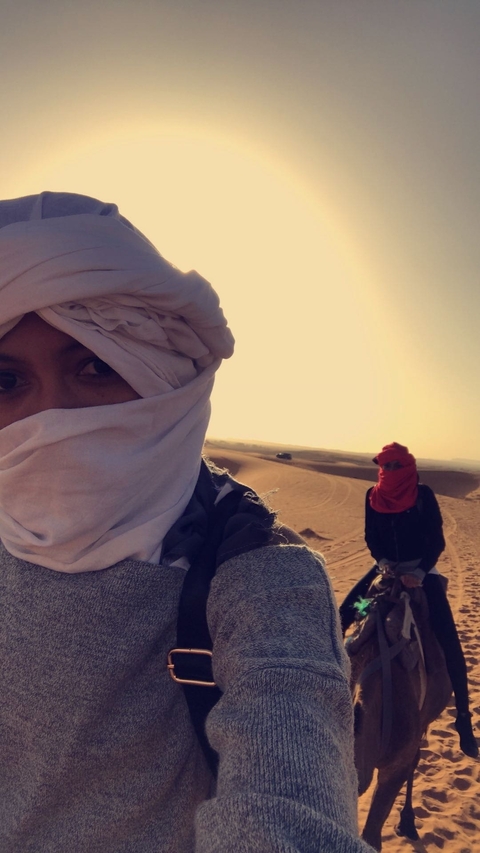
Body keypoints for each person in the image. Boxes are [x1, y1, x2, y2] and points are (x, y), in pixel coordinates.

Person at [0, 191, 374, 852]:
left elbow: (287, 795)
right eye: (6, 381)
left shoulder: (259, 578)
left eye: (97, 366)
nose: (51, 418)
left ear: (164, 377)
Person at [339, 441, 478, 759]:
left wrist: (419, 571)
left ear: (408, 466)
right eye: (384, 465)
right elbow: (371, 537)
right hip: (386, 569)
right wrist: (383, 561)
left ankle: (463, 720)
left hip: (421, 573)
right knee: (347, 613)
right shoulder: (373, 496)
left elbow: (437, 540)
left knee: (449, 640)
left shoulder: (422, 495)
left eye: (394, 465)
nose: (388, 470)